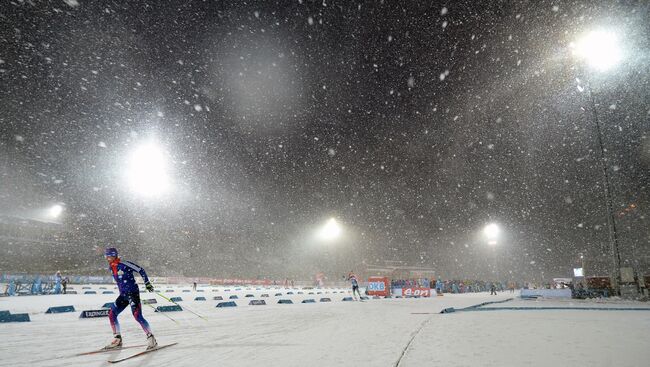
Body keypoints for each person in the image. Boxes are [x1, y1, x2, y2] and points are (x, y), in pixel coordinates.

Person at [103, 247, 157, 350]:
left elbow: (140, 270)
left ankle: (151, 338)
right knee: (111, 314)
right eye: (106, 256)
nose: (107, 258)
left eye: (108, 256)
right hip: (123, 295)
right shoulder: (111, 267)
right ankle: (117, 339)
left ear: (113, 255)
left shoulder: (124, 264)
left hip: (133, 293)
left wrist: (147, 283)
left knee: (137, 316)